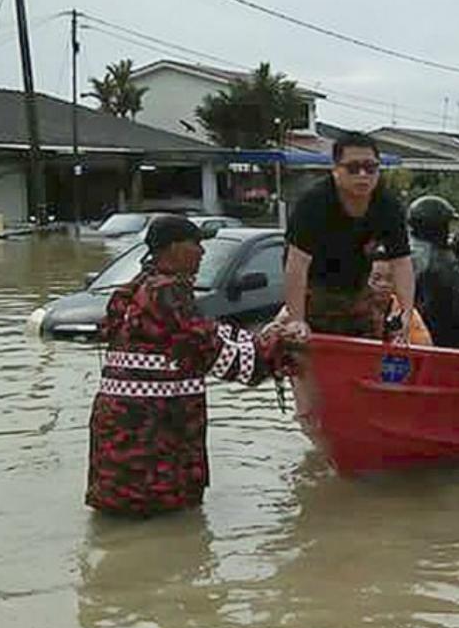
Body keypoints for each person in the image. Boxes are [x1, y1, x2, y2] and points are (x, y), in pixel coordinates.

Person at [86, 216, 307, 516]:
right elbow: (207, 349)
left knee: (125, 521)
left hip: (119, 434)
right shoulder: (166, 292)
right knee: (165, 526)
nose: (202, 252)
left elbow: (204, 334)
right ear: (174, 248)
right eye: (196, 244)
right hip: (151, 438)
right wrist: (276, 352)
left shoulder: (130, 291)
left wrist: (262, 339)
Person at [283, 132, 413, 340]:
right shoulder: (313, 204)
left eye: (370, 168)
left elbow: (401, 262)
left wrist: (406, 312)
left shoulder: (388, 205)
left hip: (358, 290)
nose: (363, 175)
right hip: (314, 291)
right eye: (352, 168)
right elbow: (296, 264)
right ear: (336, 169)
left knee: (366, 355)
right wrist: (297, 319)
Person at [408, 195, 459, 349]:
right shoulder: (439, 260)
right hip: (444, 336)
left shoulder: (407, 250)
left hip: (417, 327)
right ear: (436, 227)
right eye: (446, 225)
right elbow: (454, 304)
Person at [362, 252, 432, 345]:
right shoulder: (354, 307)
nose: (383, 284)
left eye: (390, 279)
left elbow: (424, 347)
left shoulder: (406, 312)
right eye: (376, 278)